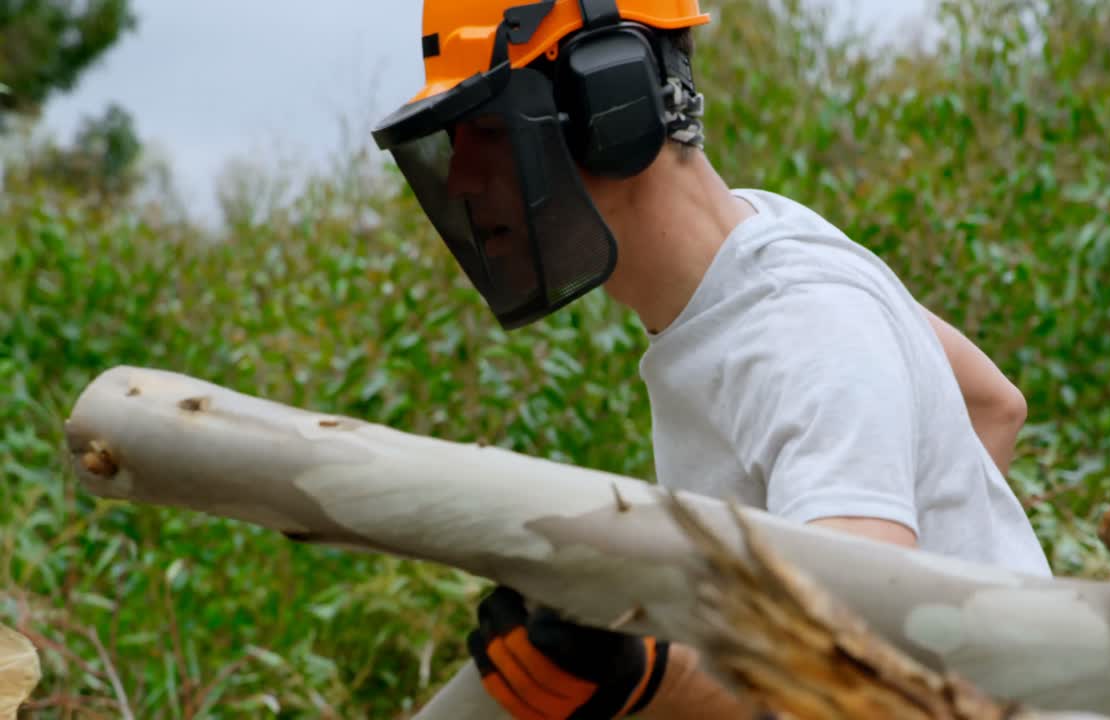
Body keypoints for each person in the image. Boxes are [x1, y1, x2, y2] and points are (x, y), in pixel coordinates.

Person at [371, 2, 1051, 717]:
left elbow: (855, 691)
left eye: (486, 130)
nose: (461, 182)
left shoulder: (803, 326)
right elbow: (990, 405)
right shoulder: (767, 242)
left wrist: (642, 675)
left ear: (612, 106)